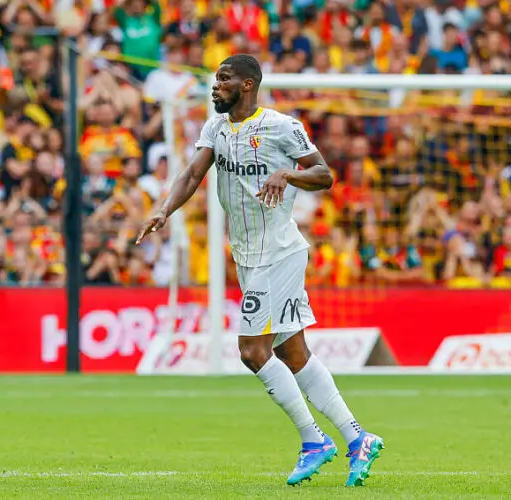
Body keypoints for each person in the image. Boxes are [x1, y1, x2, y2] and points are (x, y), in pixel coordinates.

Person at [136, 54, 384, 487]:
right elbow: (193, 174)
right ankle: (356, 437)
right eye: (215, 79)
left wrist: (286, 174)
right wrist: (164, 211)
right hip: (249, 255)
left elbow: (324, 175)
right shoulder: (215, 127)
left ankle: (313, 440)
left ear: (247, 85)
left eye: (224, 80)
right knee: (292, 353)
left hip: (279, 250)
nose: (215, 86)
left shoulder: (282, 126)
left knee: (252, 350)